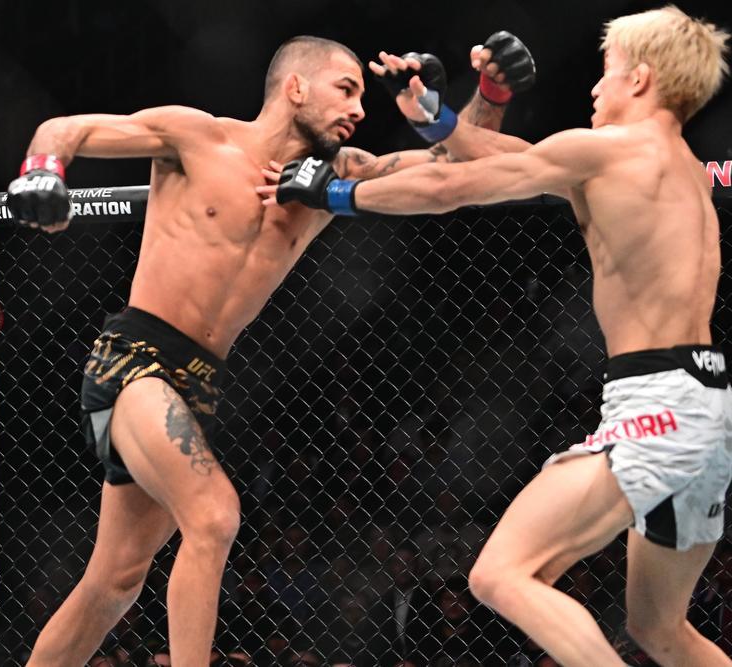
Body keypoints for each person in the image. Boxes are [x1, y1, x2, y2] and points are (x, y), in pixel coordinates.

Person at [8, 33, 532, 666]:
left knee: (114, 583)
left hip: (199, 383)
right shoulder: (198, 137)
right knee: (214, 516)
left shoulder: (336, 177)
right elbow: (67, 127)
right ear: (295, 87)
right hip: (136, 359)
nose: (358, 108)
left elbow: (462, 171)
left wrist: (481, 97)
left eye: (362, 97)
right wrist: (42, 171)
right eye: (346, 89)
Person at [262, 6, 731, 666]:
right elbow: (515, 156)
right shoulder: (677, 165)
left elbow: (450, 184)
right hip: (706, 404)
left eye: (607, 71)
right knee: (660, 629)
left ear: (641, 78)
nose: (595, 86)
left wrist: (334, 194)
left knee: (500, 574)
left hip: (656, 404)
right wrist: (435, 117)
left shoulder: (606, 151)